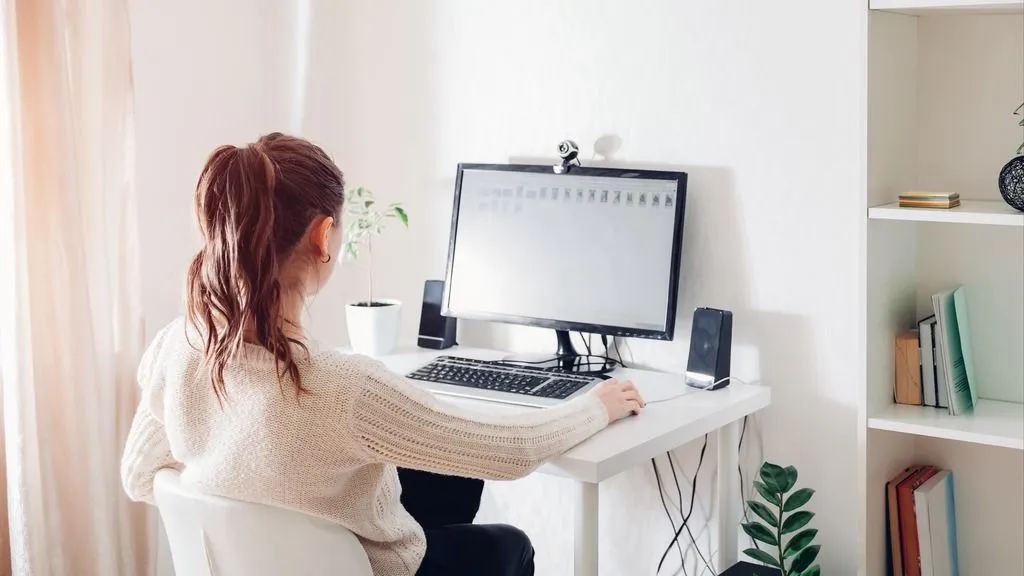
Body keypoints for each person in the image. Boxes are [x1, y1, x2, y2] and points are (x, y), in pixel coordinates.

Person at [120, 132, 646, 576]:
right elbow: (509, 451)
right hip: (372, 568)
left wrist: (253, 500)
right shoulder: (343, 387)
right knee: (510, 543)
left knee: (454, 477)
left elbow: (140, 476)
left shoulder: (179, 343)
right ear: (324, 235)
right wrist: (597, 405)